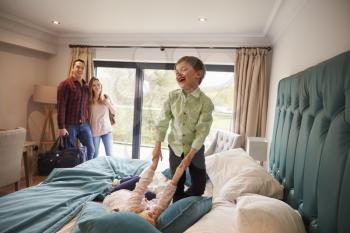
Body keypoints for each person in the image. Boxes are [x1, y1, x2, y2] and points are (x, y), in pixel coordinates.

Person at [152, 56, 214, 202]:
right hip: (175, 147)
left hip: (195, 150)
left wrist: (190, 157)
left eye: (184, 69)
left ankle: (184, 201)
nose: (178, 74)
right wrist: (157, 146)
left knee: (199, 187)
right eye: (177, 72)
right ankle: (177, 204)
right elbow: (163, 121)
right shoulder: (172, 97)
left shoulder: (206, 103)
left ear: (198, 74)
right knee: (176, 185)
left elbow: (202, 131)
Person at [103, 153, 186, 226]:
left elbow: (141, 187)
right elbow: (163, 203)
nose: (152, 213)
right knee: (152, 195)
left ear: (137, 218)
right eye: (153, 218)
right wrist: (176, 177)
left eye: (149, 215)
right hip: (132, 197)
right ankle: (126, 180)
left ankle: (120, 181)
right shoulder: (152, 216)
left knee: (138, 179)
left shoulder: (131, 209)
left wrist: (153, 166)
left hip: (115, 194)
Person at [57, 59, 95, 160]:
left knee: (91, 150)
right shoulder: (65, 84)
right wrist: (61, 127)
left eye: (82, 68)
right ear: (73, 68)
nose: (80, 69)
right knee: (69, 154)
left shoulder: (86, 86)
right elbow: (61, 106)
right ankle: (71, 174)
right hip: (70, 125)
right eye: (77, 67)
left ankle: (86, 173)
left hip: (84, 124)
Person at [88, 77, 116, 157]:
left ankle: (111, 169)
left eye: (98, 85)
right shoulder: (89, 100)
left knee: (110, 155)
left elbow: (114, 112)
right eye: (94, 85)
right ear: (91, 87)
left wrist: (108, 103)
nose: (97, 87)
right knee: (95, 155)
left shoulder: (106, 97)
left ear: (101, 86)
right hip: (94, 131)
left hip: (107, 130)